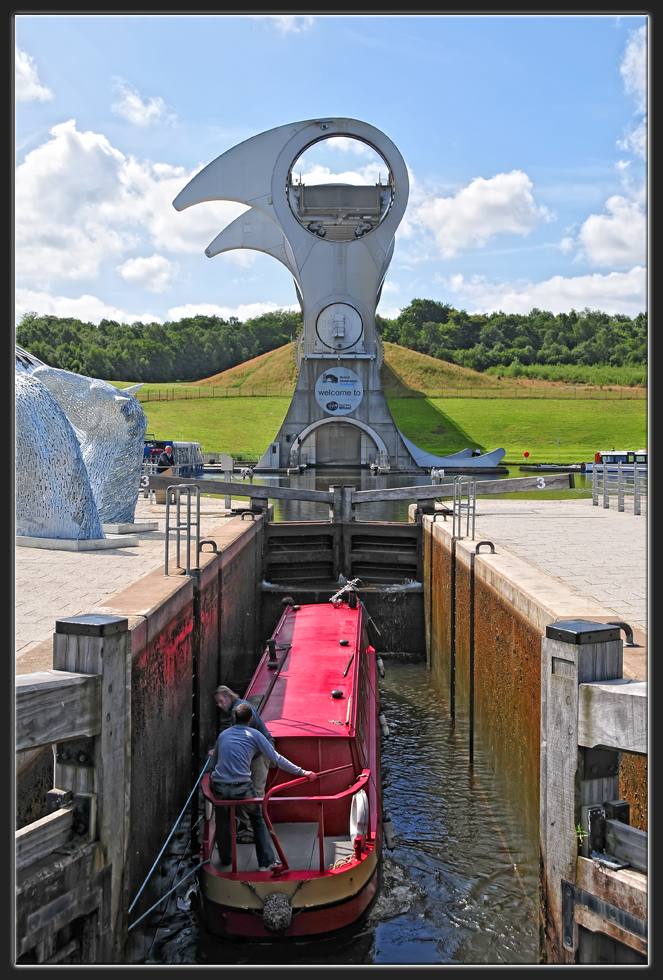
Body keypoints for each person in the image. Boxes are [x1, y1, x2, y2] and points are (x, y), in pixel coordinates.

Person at [208, 701, 315, 871]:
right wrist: (303, 772)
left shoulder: (223, 735)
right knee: (257, 819)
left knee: (223, 822)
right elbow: (277, 759)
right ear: (250, 719)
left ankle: (226, 859)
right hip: (242, 788)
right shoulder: (255, 735)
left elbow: (213, 765)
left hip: (221, 788)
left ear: (234, 718)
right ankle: (266, 862)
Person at [214, 685, 273, 842]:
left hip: (259, 755)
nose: (219, 706)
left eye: (220, 701)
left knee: (255, 792)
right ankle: (250, 828)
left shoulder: (237, 712)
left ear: (228, 697)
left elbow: (243, 738)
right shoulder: (239, 708)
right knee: (245, 790)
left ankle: (253, 831)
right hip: (255, 753)